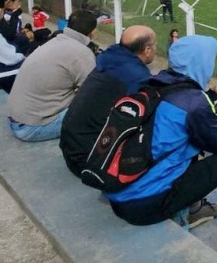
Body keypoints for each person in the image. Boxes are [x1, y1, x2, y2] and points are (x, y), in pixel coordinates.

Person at [103, 35, 217, 258]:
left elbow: (186, 112)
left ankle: (194, 207)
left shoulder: (155, 84)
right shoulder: (194, 104)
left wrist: (213, 93)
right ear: (203, 63)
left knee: (189, 140)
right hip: (145, 205)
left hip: (120, 193)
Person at [60, 25, 157, 177]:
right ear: (147, 50)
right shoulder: (138, 78)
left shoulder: (108, 57)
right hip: (90, 162)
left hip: (70, 148)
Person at [6, 10, 98, 142]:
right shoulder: (82, 53)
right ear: (93, 31)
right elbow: (92, 94)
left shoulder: (54, 42)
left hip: (17, 119)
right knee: (100, 109)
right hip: (31, 127)